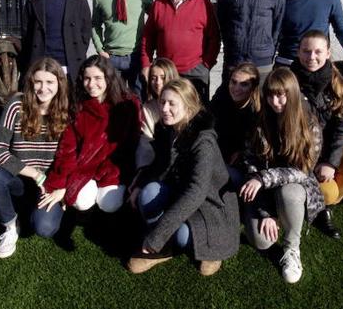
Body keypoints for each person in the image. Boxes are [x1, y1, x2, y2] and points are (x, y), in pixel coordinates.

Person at [127, 78, 240, 276]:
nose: (164, 108)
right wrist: (139, 183)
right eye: (162, 101)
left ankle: (206, 250)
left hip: (210, 205)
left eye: (172, 103)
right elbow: (159, 164)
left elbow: (196, 193)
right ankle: (163, 249)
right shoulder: (166, 128)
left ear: (188, 107)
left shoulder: (204, 141)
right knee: (148, 193)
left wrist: (156, 237)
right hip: (179, 191)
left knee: (183, 237)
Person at [36, 55, 141, 233]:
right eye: (87, 78)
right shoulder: (78, 106)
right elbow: (67, 149)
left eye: (98, 78)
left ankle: (110, 214)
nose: (91, 84)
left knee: (110, 202)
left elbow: (133, 145)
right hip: (84, 169)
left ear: (108, 77)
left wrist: (121, 173)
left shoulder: (128, 105)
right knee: (81, 200)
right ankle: (86, 210)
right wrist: (60, 183)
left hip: (113, 169)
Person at [240, 67, 325, 283]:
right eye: (270, 95)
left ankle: (292, 248)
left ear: (293, 94)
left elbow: (302, 171)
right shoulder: (260, 120)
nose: (275, 101)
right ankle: (275, 215)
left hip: (295, 186)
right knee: (261, 242)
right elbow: (250, 161)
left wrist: (263, 178)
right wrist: (265, 212)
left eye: (281, 95)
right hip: (264, 190)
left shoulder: (310, 124)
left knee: (290, 194)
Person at [0, 58, 69, 258]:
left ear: (59, 84)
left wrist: (63, 188)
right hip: (19, 178)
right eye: (38, 82)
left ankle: (38, 209)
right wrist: (34, 173)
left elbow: (73, 157)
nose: (43, 88)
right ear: (31, 83)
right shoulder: (17, 105)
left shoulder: (67, 112)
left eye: (50, 82)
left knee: (45, 228)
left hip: (50, 184)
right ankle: (11, 225)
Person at [290, 30, 343, 239]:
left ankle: (324, 206)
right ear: (298, 52)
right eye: (306, 51)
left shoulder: (338, 84)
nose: (311, 57)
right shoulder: (289, 81)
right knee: (329, 191)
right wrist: (315, 163)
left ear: (328, 52)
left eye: (317, 51)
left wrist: (331, 163)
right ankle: (323, 205)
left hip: (329, 143)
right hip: (304, 147)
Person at [140, 0, 221, 102]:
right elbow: (148, 37)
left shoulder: (203, 4)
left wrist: (206, 65)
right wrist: (146, 64)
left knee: (195, 117)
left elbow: (214, 38)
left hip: (194, 73)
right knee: (167, 114)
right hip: (166, 73)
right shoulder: (159, 4)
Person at [21, 0, 92, 82]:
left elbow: (85, 34)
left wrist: (76, 53)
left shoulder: (79, 0)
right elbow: (27, 34)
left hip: (70, 65)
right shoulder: (33, 0)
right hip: (41, 64)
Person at [92, 0, 153, 97]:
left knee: (138, 102)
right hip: (111, 57)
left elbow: (154, 22)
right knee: (113, 102)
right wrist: (100, 50)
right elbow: (95, 25)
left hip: (136, 56)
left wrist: (149, 51)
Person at [210, 62, 261, 179]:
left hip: (243, 164)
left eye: (244, 84)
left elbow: (257, 147)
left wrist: (243, 153)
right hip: (217, 155)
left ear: (253, 88)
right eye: (233, 82)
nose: (236, 88)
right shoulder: (220, 101)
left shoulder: (258, 111)